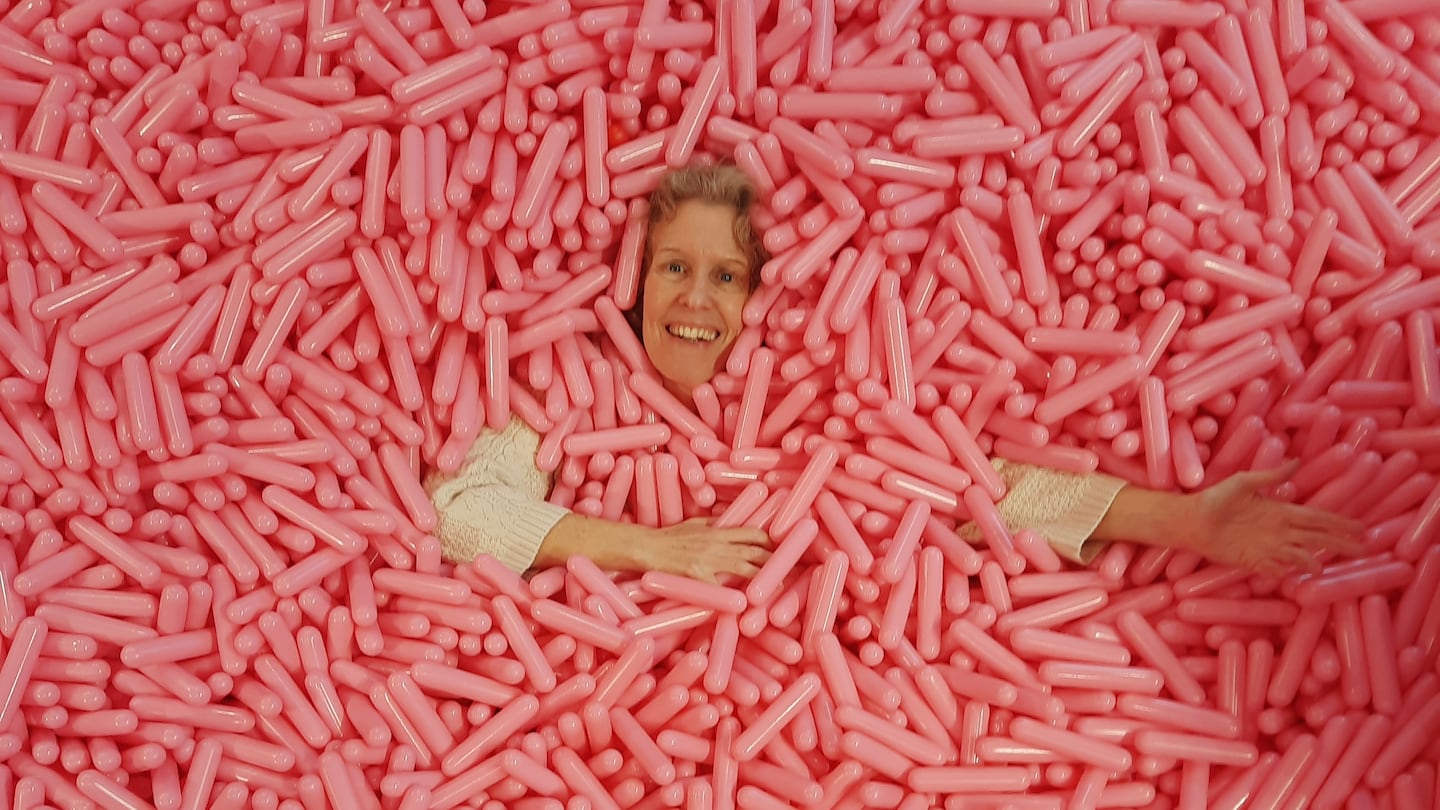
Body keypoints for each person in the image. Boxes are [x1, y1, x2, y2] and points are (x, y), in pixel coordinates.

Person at [427, 163, 1364, 582]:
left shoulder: (814, 398)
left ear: (761, 293)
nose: (696, 301)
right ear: (636, 277)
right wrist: (650, 549)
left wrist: (1185, 520)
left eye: (725, 276)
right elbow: (465, 513)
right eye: (675, 267)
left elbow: (983, 491)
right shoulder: (565, 389)